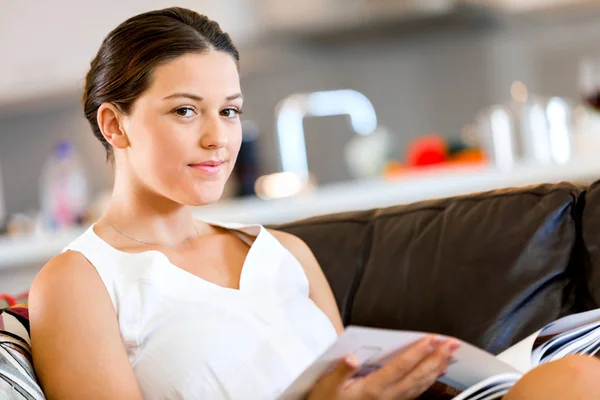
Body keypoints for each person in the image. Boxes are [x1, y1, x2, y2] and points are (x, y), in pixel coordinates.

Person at [28, 7, 600, 400]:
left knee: (575, 379)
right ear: (115, 125)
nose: (218, 138)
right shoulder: (80, 281)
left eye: (228, 110)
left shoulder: (285, 253)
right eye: (184, 110)